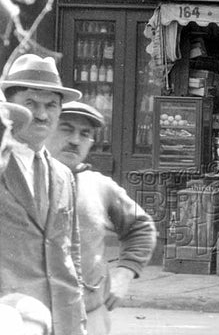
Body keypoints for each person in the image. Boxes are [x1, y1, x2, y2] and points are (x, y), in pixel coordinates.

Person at [46, 101, 156, 335]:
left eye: (84, 134)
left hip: (89, 313)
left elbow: (141, 227)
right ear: (47, 128)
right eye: (66, 128)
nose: (75, 140)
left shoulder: (99, 186)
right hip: (31, 315)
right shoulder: (17, 179)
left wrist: (124, 274)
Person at [0, 53, 86, 335]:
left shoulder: (63, 175)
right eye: (30, 104)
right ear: (9, 108)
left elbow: (71, 255)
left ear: (61, 111)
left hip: (62, 319)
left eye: (51, 105)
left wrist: (78, 322)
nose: (41, 114)